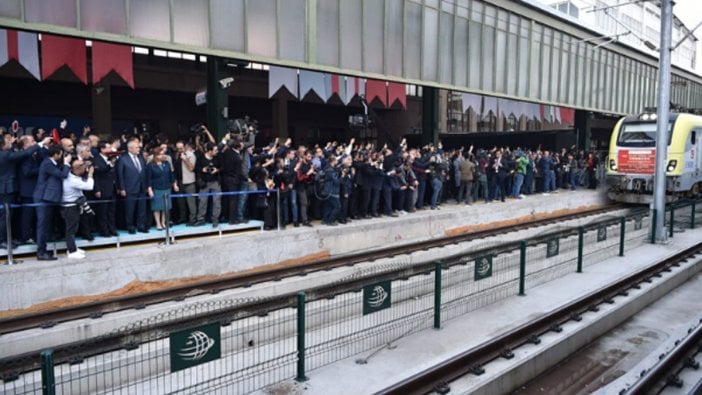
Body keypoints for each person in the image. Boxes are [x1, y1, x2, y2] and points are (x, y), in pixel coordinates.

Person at [0, 133, 42, 249]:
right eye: (8, 140)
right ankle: (2, 240)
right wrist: (40, 144)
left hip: (10, 188)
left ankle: (7, 238)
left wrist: (13, 144)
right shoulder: (4, 154)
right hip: (5, 189)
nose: (10, 141)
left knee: (9, 215)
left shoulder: (9, 152)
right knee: (5, 215)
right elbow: (25, 153)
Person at [35, 145, 71, 260]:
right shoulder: (47, 164)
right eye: (60, 155)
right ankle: (41, 252)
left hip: (48, 198)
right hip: (42, 198)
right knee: (42, 225)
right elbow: (63, 175)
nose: (61, 157)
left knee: (46, 224)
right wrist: (66, 163)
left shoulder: (51, 163)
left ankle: (44, 249)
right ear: (55, 155)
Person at [60, 159, 94, 259]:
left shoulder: (71, 175)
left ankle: (73, 247)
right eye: (83, 166)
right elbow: (89, 186)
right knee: (71, 230)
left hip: (72, 206)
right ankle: (71, 251)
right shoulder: (72, 180)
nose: (85, 168)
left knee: (73, 228)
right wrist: (90, 174)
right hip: (70, 207)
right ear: (78, 169)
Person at [117, 138, 148, 234]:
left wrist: (146, 186)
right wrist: (122, 188)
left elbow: (143, 172)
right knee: (130, 209)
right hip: (129, 188)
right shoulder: (123, 159)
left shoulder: (141, 158)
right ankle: (130, 226)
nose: (139, 149)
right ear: (130, 148)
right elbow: (120, 175)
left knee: (142, 209)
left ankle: (141, 226)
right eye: (137, 147)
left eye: (139, 147)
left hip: (142, 187)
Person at [147, 147, 178, 230]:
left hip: (166, 187)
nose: (163, 155)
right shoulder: (151, 165)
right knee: (157, 207)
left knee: (165, 207)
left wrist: (174, 185)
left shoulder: (167, 163)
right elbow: (148, 179)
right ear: (156, 155)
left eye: (164, 154)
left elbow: (171, 175)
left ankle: (163, 222)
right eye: (161, 154)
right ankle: (158, 223)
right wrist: (149, 190)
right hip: (156, 188)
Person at [92, 141, 118, 237]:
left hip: (112, 188)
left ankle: (112, 229)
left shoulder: (110, 158)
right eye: (108, 148)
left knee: (112, 211)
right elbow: (97, 174)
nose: (110, 150)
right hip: (102, 189)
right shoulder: (96, 159)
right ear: (102, 149)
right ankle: (104, 230)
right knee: (103, 211)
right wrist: (97, 189)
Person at [194, 142, 222, 228]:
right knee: (202, 201)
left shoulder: (218, 158)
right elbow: (196, 169)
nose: (217, 152)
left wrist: (217, 170)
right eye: (215, 150)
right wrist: (202, 170)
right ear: (210, 151)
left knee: (217, 202)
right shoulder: (200, 158)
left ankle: (215, 219)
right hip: (204, 182)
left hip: (215, 181)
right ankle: (201, 219)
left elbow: (223, 166)